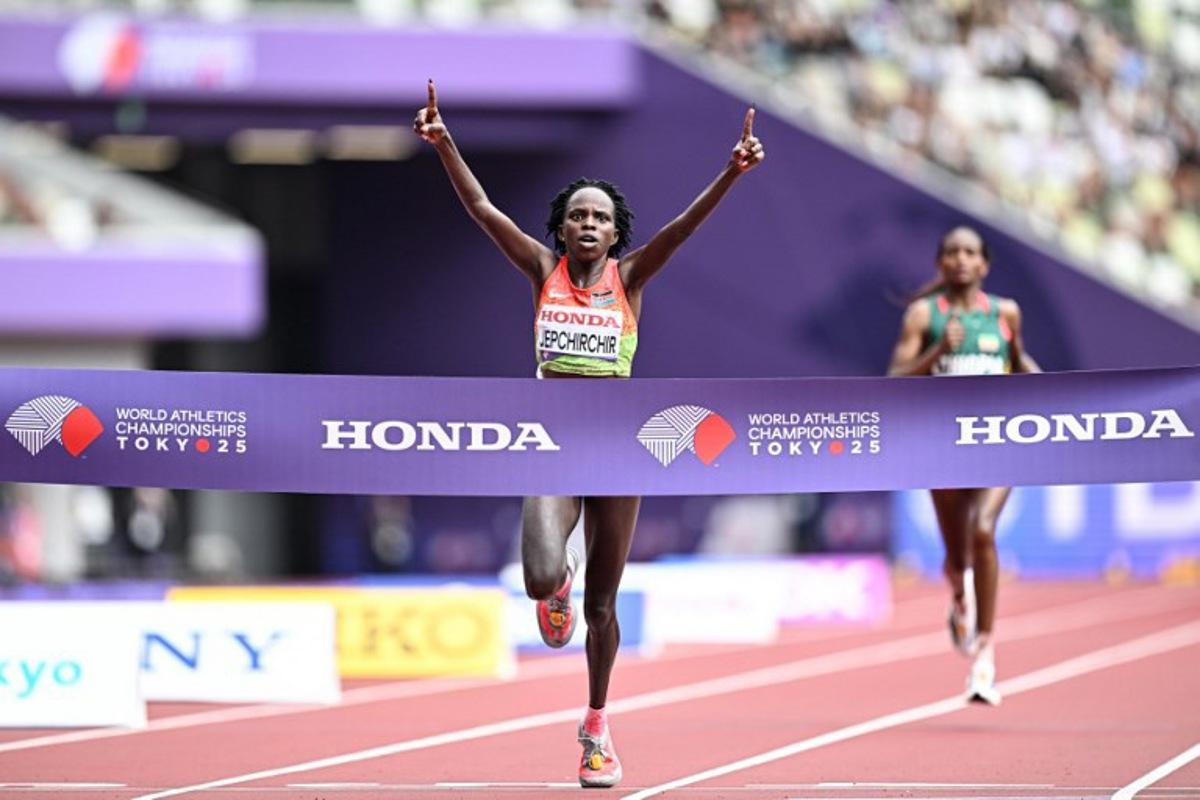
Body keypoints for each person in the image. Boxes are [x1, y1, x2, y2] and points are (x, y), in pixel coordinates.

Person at [414, 80, 764, 787]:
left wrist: (731, 171)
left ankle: (597, 727)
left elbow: (683, 230)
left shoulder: (631, 279)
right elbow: (484, 210)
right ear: (561, 228)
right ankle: (557, 585)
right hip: (552, 440)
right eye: (575, 215)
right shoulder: (542, 271)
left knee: (605, 606)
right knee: (543, 574)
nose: (586, 225)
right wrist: (444, 142)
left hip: (620, 446)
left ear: (614, 232)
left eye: (599, 217)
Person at [887, 225, 1040, 706]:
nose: (960, 259)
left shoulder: (1005, 312)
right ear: (940, 263)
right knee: (957, 558)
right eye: (951, 251)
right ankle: (959, 594)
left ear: (984, 264)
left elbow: (1020, 364)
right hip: (942, 447)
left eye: (969, 252)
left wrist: (1062, 395)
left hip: (997, 443)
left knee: (983, 530)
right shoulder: (923, 314)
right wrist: (938, 352)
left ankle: (985, 656)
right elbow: (894, 376)